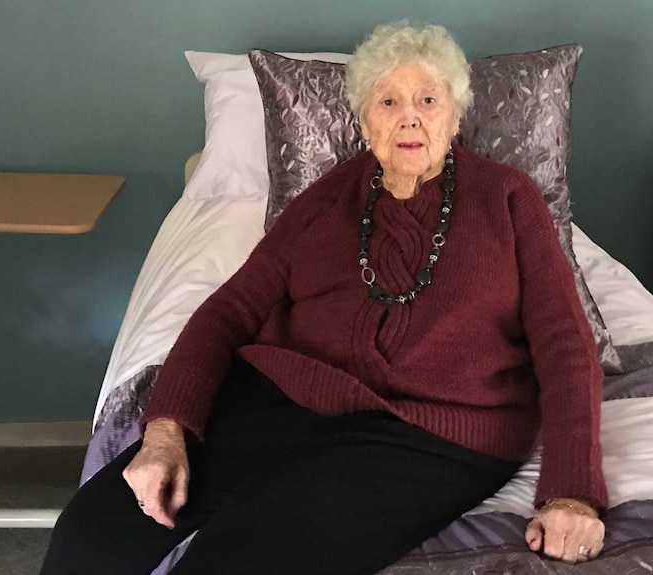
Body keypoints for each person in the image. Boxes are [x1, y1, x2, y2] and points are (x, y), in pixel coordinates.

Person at [41, 22, 607, 575]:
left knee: (242, 554)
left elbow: (565, 343)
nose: (409, 115)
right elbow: (227, 312)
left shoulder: (509, 199)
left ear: (455, 114)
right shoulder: (327, 200)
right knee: (94, 528)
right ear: (364, 119)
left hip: (432, 432)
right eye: (387, 101)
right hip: (283, 397)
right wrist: (166, 430)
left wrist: (572, 492)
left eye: (428, 99)